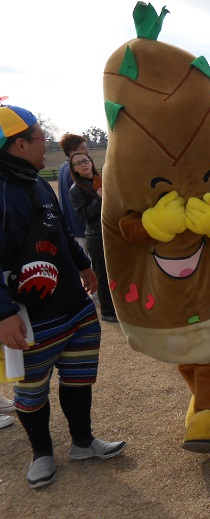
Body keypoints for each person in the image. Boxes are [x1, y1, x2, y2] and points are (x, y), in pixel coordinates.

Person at [0, 105, 125, 489]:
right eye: (40, 138)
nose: (46, 145)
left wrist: (84, 265)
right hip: (30, 315)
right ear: (19, 144)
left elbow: (58, 232)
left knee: (78, 377)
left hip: (73, 306)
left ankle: (83, 442)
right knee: (32, 389)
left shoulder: (37, 182)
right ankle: (41, 453)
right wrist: (3, 313)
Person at [68, 152, 117, 323]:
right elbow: (85, 215)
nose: (83, 165)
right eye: (78, 163)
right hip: (96, 236)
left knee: (117, 271)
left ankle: (120, 306)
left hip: (112, 231)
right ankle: (108, 310)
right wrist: (98, 198)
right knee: (102, 274)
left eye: (85, 161)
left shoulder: (101, 179)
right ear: (74, 169)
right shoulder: (75, 190)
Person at [57, 134, 88, 252]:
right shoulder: (77, 170)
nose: (87, 151)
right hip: (82, 227)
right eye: (83, 148)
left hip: (70, 227)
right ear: (72, 151)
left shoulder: (63, 167)